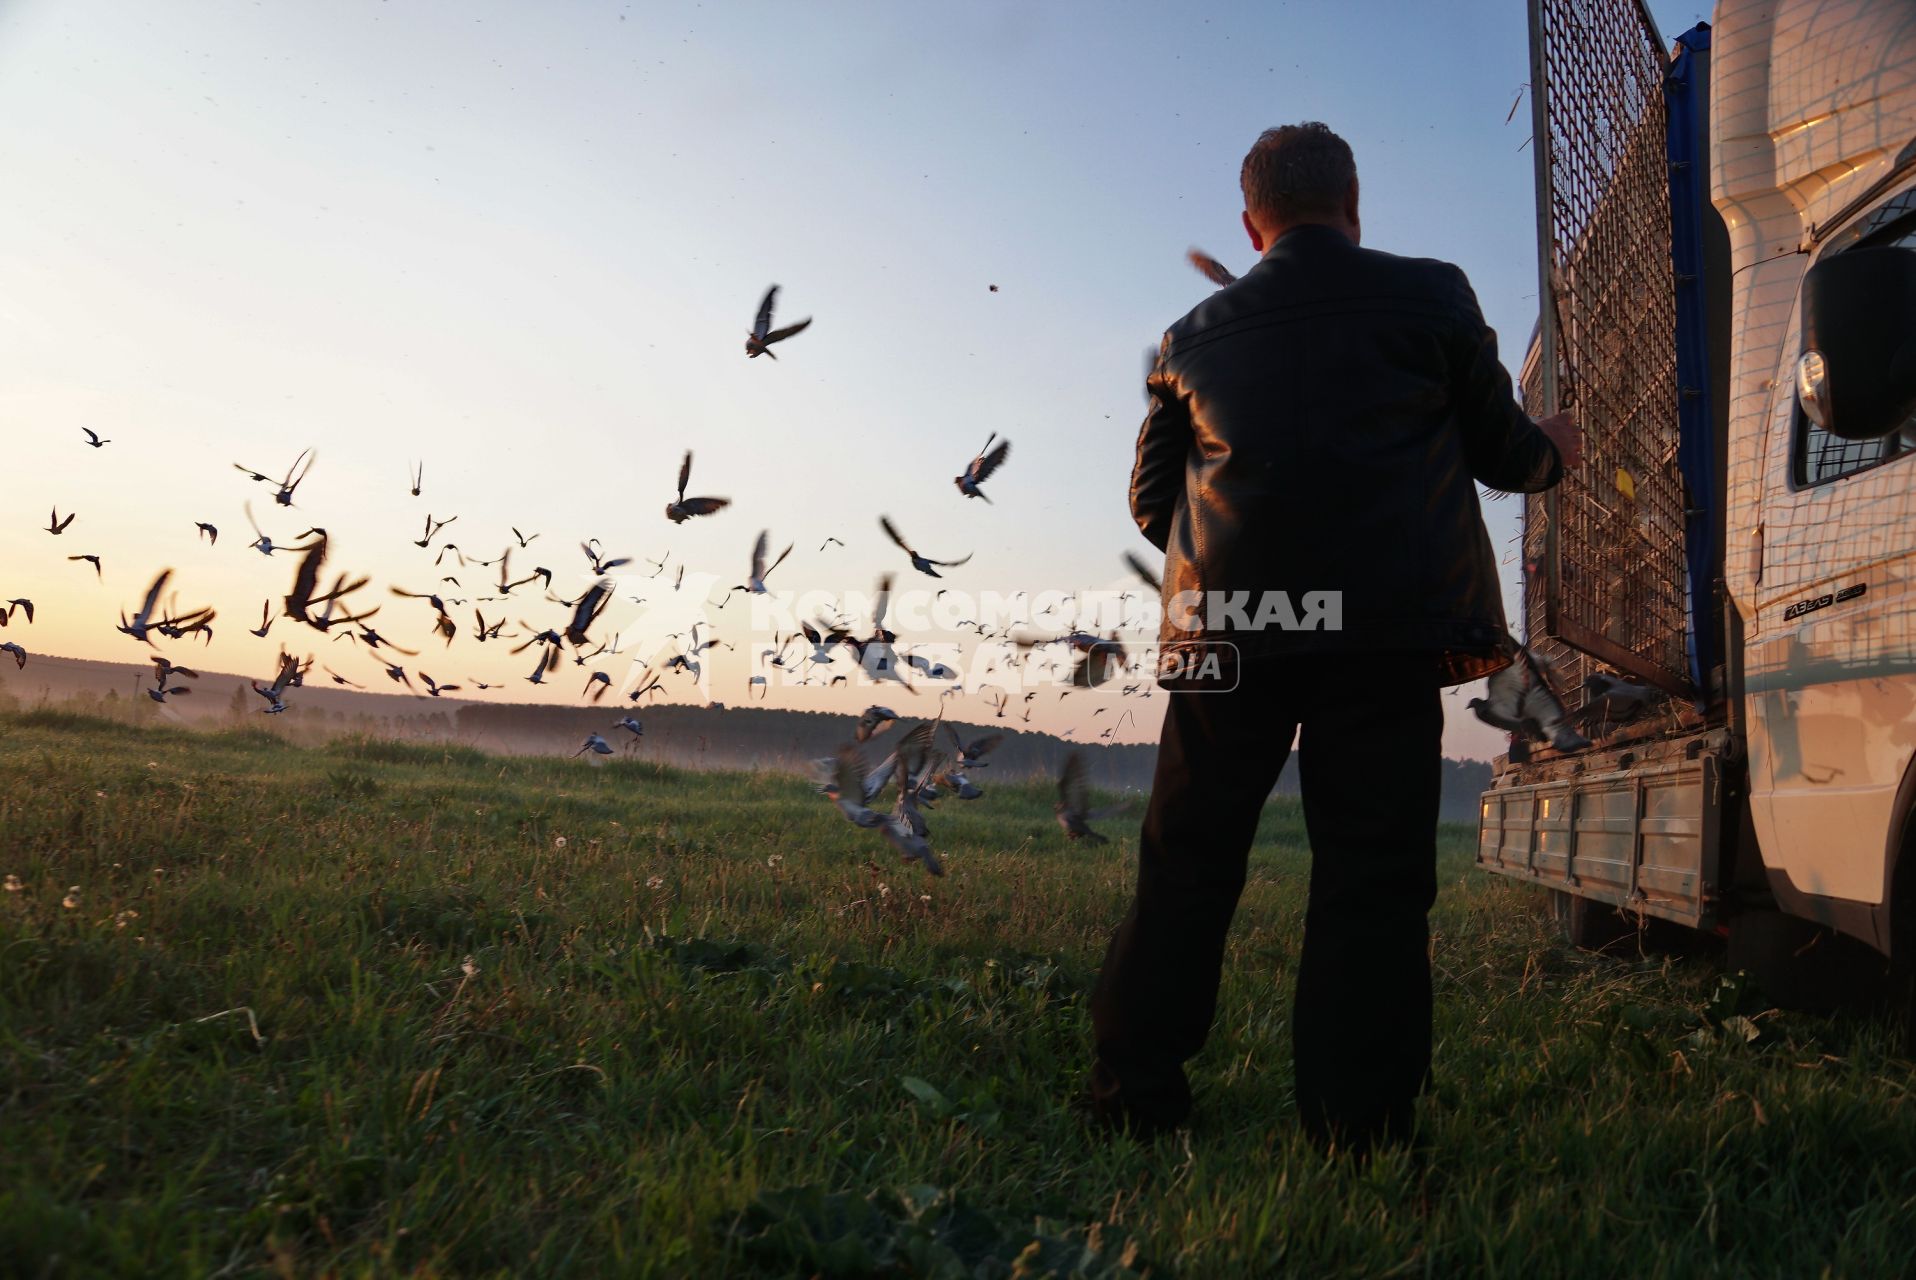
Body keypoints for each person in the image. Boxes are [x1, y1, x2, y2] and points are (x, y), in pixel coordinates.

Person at [1088, 122, 1580, 1155]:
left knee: (1186, 858)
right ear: (1354, 207)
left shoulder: (1187, 338)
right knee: (1370, 871)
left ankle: (1135, 1087)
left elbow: (1150, 503)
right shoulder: (1435, 294)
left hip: (1232, 627)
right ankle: (1355, 1127)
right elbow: (1505, 453)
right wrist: (1553, 454)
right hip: (1383, 631)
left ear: (1247, 223)